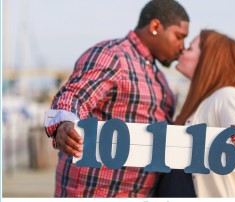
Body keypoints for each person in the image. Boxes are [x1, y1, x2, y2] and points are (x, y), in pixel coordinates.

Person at [44, 0, 190, 197]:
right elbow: (75, 95)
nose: (182, 47)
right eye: (179, 37)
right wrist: (64, 123)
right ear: (155, 26)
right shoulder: (114, 55)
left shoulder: (158, 76)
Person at [173, 29, 235, 197]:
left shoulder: (229, 96)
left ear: (208, 59)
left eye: (190, 48)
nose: (182, 50)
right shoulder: (203, 102)